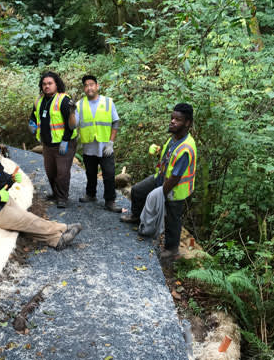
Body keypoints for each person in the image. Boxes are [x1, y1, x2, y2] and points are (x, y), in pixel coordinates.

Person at [0, 128, 82, 250]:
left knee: (25, 220)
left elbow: (0, 179)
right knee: (27, 220)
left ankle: (55, 240)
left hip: (0, 200)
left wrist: (11, 179)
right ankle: (63, 228)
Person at [120, 103, 197, 259]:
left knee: (173, 219)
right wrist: (158, 151)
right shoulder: (174, 138)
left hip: (174, 190)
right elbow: (168, 156)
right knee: (137, 191)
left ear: (187, 123)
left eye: (178, 119)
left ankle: (172, 249)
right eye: (172, 118)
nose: (173, 121)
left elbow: (175, 177)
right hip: (160, 178)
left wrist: (161, 193)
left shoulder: (187, 148)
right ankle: (136, 216)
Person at [72, 75, 122, 212]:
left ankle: (110, 201)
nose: (89, 87)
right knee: (90, 173)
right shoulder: (80, 105)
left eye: (92, 84)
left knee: (109, 173)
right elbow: (73, 125)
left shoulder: (108, 102)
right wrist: (71, 111)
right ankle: (91, 194)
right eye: (86, 85)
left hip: (105, 146)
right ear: (84, 88)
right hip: (89, 147)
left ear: (97, 86)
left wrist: (111, 142)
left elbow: (115, 121)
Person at [28, 72, 77, 208]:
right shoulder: (39, 100)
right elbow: (33, 116)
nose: (47, 86)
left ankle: (62, 198)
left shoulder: (63, 100)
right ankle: (56, 194)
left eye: (50, 83)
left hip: (64, 144)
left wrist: (66, 140)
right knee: (50, 171)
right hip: (47, 144)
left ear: (56, 84)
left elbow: (71, 124)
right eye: (44, 84)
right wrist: (31, 124)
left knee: (62, 173)